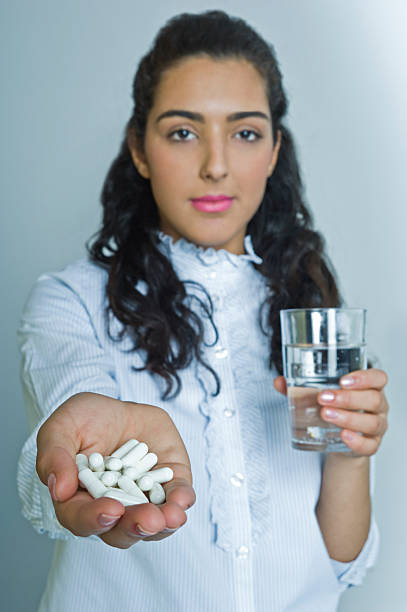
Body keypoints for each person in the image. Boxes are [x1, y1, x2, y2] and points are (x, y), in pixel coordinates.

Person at [17, 10, 389, 612]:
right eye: (183, 132)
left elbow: (335, 564)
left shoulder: (310, 308)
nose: (216, 165)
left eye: (244, 133)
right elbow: (72, 421)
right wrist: (85, 454)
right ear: (140, 149)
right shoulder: (70, 301)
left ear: (273, 151)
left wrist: (350, 453)